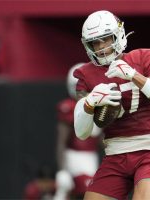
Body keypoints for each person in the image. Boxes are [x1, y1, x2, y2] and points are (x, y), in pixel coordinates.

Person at [73, 10, 150, 200]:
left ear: (118, 35)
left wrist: (134, 76)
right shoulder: (85, 74)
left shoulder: (142, 58)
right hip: (116, 153)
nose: (101, 47)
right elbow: (82, 133)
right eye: (95, 42)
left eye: (105, 39)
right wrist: (89, 103)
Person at [54, 63, 102, 200]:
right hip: (74, 159)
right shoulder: (69, 107)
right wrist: (62, 170)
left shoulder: (99, 107)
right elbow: (61, 142)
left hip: (92, 159)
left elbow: (101, 141)